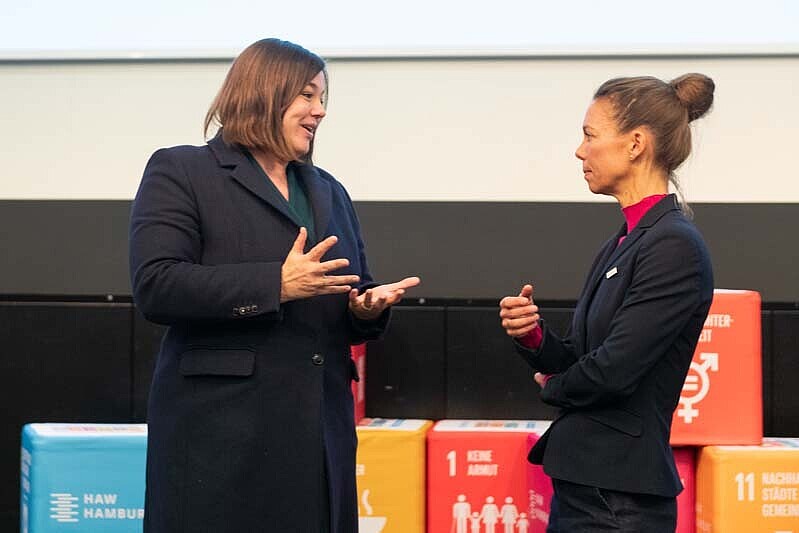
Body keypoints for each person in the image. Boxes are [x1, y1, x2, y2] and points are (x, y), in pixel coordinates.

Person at [129, 38, 419, 533]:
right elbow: (157, 285)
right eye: (307, 96)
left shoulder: (327, 189)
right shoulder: (182, 171)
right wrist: (275, 285)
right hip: (223, 436)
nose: (320, 111)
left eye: (322, 98)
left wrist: (365, 310)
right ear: (265, 93)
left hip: (319, 432)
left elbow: (346, 286)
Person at [499, 73, 715, 532]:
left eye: (589, 135)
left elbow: (614, 370)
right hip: (590, 488)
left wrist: (551, 387)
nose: (580, 151)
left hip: (618, 501)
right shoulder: (624, 242)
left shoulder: (673, 246)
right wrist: (533, 337)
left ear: (635, 144)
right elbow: (583, 355)